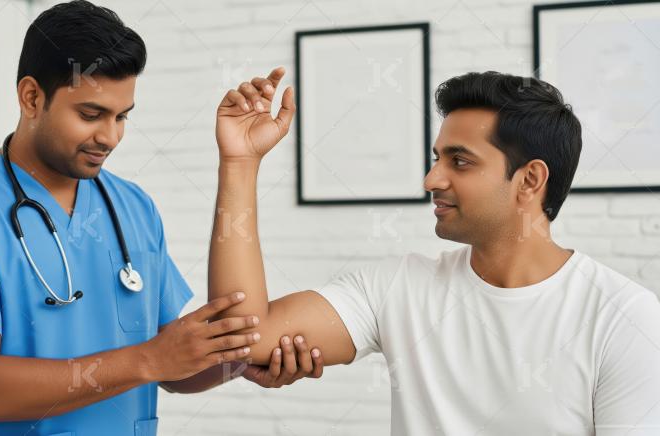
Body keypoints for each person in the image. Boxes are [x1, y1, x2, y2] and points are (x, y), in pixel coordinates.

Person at [0, 2, 322, 435]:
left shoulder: (133, 207)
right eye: (90, 115)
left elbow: (171, 367)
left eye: (122, 117)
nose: (110, 136)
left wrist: (237, 362)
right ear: (31, 97)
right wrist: (149, 359)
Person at [208, 67, 660, 434]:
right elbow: (244, 338)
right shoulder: (397, 287)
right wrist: (240, 163)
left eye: (459, 161)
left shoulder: (623, 317)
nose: (431, 180)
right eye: (436, 158)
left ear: (529, 180)